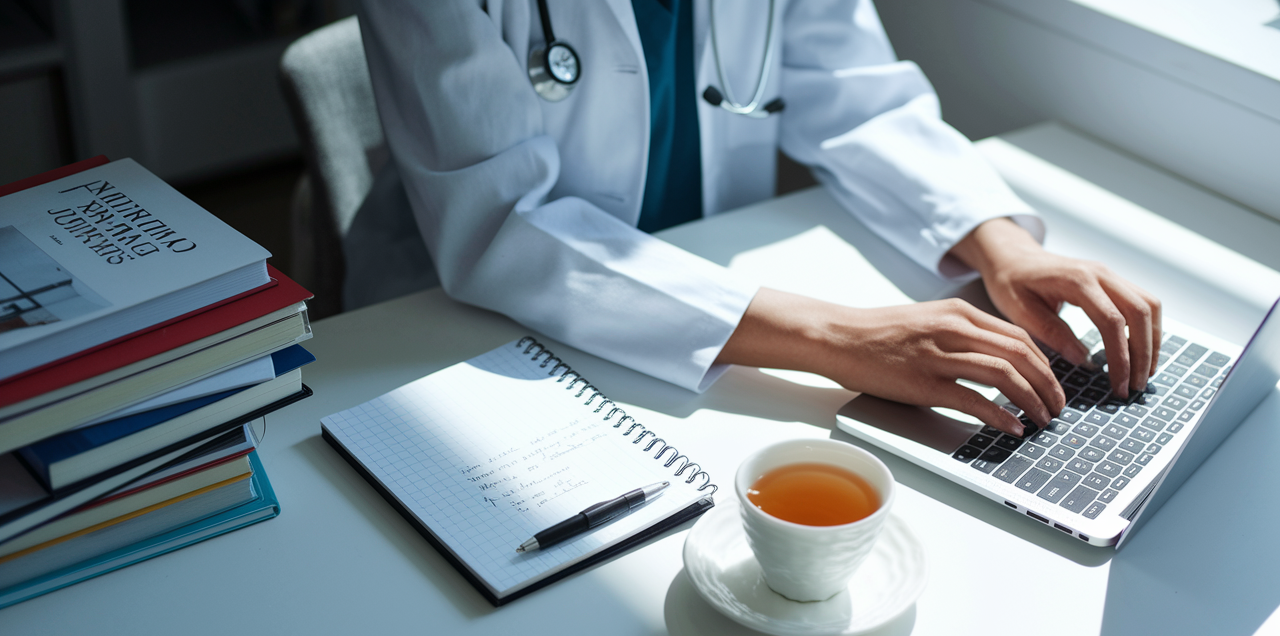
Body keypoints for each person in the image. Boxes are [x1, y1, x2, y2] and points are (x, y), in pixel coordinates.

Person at [347, 0, 1160, 436]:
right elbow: (500, 223)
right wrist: (838, 337)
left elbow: (849, 85)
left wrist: (999, 243)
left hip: (710, 284)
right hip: (460, 329)